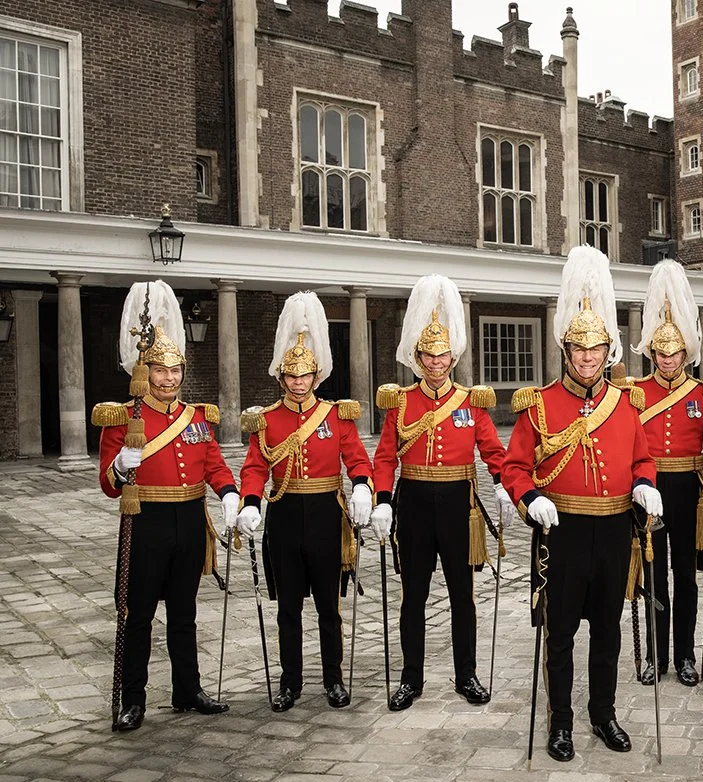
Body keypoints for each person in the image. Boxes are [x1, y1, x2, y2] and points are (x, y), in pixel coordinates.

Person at [501, 245, 662, 763]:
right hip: (562, 532)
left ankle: (604, 713)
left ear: (609, 352)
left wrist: (644, 485)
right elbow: (514, 467)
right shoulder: (540, 403)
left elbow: (643, 458)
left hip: (614, 531)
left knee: (608, 632)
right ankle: (562, 722)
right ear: (566, 351)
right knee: (562, 633)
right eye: (579, 351)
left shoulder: (626, 403)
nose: (588, 359)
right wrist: (529, 499)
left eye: (596, 352)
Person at [94, 280, 239, 731]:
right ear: (145, 371)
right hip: (146, 520)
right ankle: (132, 700)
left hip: (190, 521)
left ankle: (187, 689)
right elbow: (108, 485)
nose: (169, 379)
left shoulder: (197, 417)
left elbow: (213, 464)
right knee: (137, 614)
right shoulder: (124, 417)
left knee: (184, 611)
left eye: (175, 371)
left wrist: (231, 493)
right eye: (160, 371)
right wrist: (120, 465)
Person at [370, 275, 516, 711]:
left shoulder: (471, 403)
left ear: (454, 356)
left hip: (458, 505)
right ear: (416, 357)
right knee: (413, 596)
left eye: (443, 355)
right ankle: (410, 678)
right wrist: (380, 497)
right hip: (412, 502)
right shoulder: (401, 403)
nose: (436, 362)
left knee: (462, 597)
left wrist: (506, 489)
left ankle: (466, 674)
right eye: (429, 356)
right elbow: (384, 457)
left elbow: (493, 452)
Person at [236, 292, 373, 712]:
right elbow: (255, 467)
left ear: (316, 376)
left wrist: (365, 487)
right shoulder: (268, 419)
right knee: (289, 609)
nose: (298, 383)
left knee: (330, 609)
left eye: (305, 376)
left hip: (326, 517)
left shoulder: (336, 416)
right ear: (282, 378)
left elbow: (357, 458)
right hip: (285, 515)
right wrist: (249, 502)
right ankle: (290, 681)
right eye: (291, 377)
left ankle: (333, 678)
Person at [628, 259, 703, 687]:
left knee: (686, 575)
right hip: (650, 489)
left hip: (688, 488)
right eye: (661, 354)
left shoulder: (702, 393)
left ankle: (686, 654)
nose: (668, 361)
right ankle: (656, 655)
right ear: (652, 352)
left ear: (686, 354)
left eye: (675, 354)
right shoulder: (635, 394)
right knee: (653, 575)